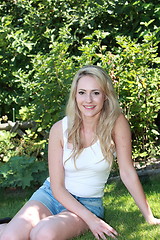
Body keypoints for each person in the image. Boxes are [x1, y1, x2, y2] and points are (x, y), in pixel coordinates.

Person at [0, 65, 160, 240]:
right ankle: (8, 227)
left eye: (96, 93)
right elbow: (57, 187)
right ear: (75, 96)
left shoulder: (116, 123)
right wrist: (92, 221)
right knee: (9, 237)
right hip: (50, 195)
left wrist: (149, 216)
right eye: (82, 92)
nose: (88, 100)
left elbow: (127, 172)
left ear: (105, 95)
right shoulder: (59, 129)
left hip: (88, 201)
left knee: (44, 233)